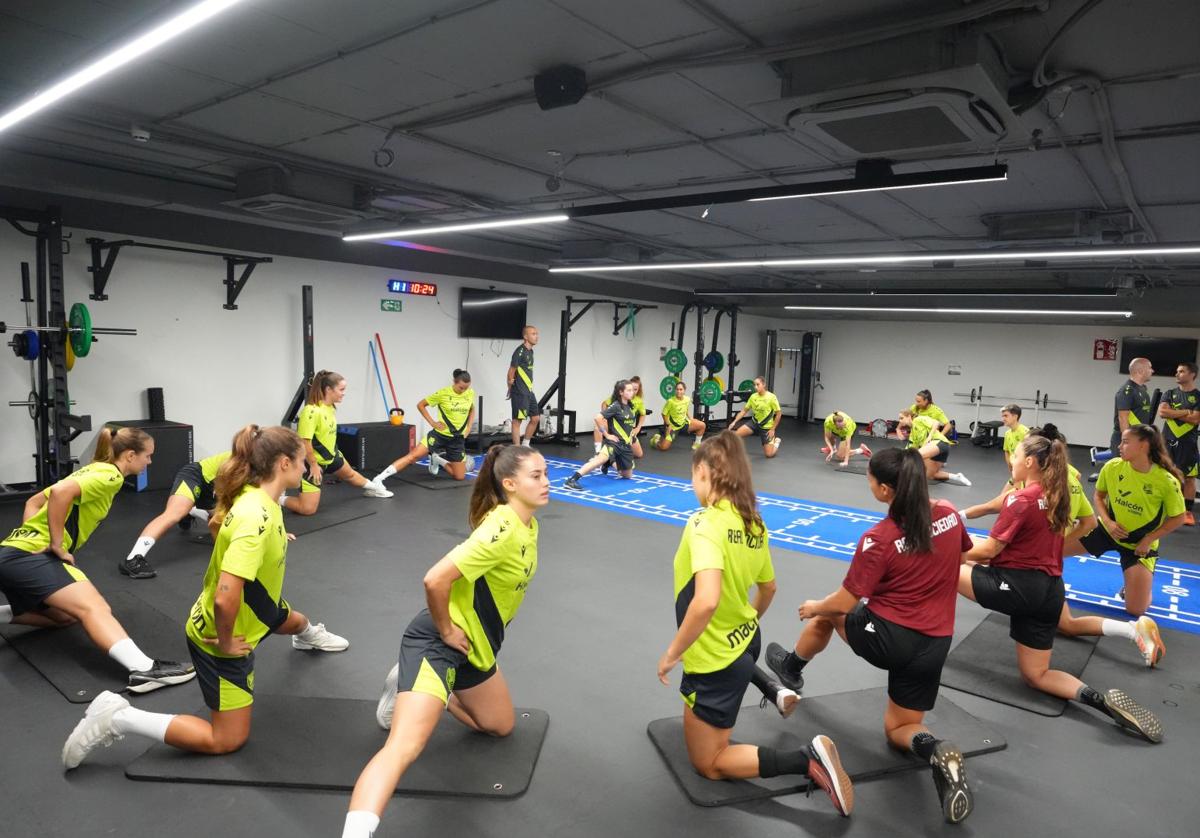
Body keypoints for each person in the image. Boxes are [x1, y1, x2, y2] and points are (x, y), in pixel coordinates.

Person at [62, 425, 350, 771]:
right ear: (285, 463)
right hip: (220, 636)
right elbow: (225, 600)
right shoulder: (254, 517)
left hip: (258, 608)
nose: (307, 469)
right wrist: (227, 642)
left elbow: (219, 529)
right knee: (226, 739)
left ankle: (307, 636)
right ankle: (119, 717)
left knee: (288, 618)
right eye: (304, 461)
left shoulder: (260, 500)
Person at [342, 445, 548, 838]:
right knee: (404, 746)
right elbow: (435, 579)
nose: (545, 482)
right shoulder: (501, 527)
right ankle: (355, 832)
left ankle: (424, 687)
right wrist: (447, 629)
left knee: (500, 726)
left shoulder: (528, 524)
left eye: (544, 473)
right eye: (535, 475)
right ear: (509, 484)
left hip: (476, 649)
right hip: (439, 641)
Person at [765, 447, 973, 823]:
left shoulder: (878, 539)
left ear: (883, 490)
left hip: (888, 639)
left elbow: (846, 600)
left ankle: (791, 668)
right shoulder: (948, 515)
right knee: (901, 728)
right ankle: (936, 749)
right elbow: (959, 559)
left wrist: (815, 606)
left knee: (829, 612)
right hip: (936, 643)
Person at [657, 432, 853, 816]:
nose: (691, 484)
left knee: (709, 763)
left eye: (693, 475)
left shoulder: (704, 524)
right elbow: (769, 588)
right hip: (747, 642)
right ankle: (769, 692)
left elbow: (707, 600)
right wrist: (745, 624)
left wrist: (672, 653)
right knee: (719, 720)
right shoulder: (753, 523)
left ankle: (807, 759)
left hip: (713, 660)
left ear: (704, 472)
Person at [957, 435, 1163, 743]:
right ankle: (1099, 701)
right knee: (1036, 675)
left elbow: (988, 550)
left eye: (1015, 456)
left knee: (943, 567)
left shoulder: (1020, 499)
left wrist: (946, 549)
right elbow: (1083, 524)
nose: (1011, 461)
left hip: (1017, 588)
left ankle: (912, 635)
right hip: (1049, 592)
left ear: (1028, 462)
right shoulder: (1057, 494)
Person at [1, 427, 195, 692]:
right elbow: (60, 494)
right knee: (94, 608)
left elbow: (32, 503)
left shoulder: (92, 470)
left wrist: (37, 536)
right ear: (129, 455)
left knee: (65, 617)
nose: (149, 462)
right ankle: (145, 670)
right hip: (30, 557)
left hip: (11, 552)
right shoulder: (109, 475)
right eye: (147, 456)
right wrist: (55, 545)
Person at [1075, 426, 1186, 622]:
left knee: (1136, 610)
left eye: (1125, 442)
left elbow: (1179, 517)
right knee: (1054, 551)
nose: (1119, 446)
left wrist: (1149, 539)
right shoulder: (1112, 466)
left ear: (1144, 445)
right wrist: (1108, 523)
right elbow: (1099, 496)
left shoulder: (1166, 481)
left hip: (1138, 545)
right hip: (1106, 531)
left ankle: (1140, 585)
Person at [284, 370, 392, 515]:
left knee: (351, 475)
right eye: (341, 389)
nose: (344, 393)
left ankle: (375, 488)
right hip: (313, 464)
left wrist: (334, 453)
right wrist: (314, 465)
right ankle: (278, 498)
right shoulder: (311, 411)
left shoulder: (330, 408)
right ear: (328, 389)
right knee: (307, 509)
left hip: (332, 457)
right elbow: (304, 442)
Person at [120, 450, 231, 579]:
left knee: (225, 520)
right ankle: (133, 559)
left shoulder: (256, 465)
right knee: (173, 514)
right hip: (196, 475)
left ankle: (190, 510)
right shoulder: (245, 458)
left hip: (214, 486)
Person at [372, 369, 477, 484]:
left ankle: (437, 459)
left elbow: (471, 409)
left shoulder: (470, 393)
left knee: (459, 477)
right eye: (461, 387)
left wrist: (469, 426)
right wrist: (432, 423)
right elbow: (421, 405)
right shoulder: (443, 393)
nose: (463, 390)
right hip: (439, 435)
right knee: (413, 456)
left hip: (457, 439)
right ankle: (378, 479)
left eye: (466, 388)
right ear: (454, 382)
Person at [564, 380, 637, 490]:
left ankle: (610, 461)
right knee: (598, 460)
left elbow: (628, 424)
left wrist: (631, 435)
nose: (632, 392)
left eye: (632, 390)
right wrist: (606, 435)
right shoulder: (616, 406)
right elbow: (597, 418)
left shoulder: (630, 407)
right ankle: (572, 480)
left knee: (627, 475)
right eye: (629, 390)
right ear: (621, 392)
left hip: (625, 445)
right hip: (614, 443)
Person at [1159, 361, 1199, 525]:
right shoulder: (1169, 393)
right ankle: (1160, 508)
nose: (1177, 374)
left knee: (1189, 478)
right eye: (1177, 371)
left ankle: (1187, 512)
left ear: (1192, 375)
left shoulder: (1198, 396)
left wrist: (1173, 413)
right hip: (1166, 441)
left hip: (1187, 444)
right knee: (1162, 474)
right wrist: (1187, 411)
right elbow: (1162, 412)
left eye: (1181, 371)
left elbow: (1196, 418)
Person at [897, 411, 970, 486]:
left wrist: (929, 436)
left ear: (909, 416)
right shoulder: (913, 432)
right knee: (930, 475)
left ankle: (903, 480)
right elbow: (911, 447)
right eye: (899, 419)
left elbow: (936, 423)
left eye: (902, 418)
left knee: (915, 456)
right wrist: (902, 456)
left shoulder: (918, 419)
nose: (900, 420)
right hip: (938, 450)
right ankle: (956, 477)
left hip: (939, 442)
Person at [728, 377, 783, 458]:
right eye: (754, 385)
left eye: (758, 384)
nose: (755, 387)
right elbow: (744, 410)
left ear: (763, 385)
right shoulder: (753, 396)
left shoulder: (771, 397)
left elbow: (779, 414)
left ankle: (777, 441)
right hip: (754, 423)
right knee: (735, 435)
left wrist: (773, 429)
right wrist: (734, 421)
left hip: (766, 427)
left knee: (769, 454)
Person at [595, 375, 647, 459]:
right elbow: (604, 404)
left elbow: (643, 414)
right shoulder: (618, 401)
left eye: (635, 389)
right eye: (630, 389)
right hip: (616, 428)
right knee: (597, 428)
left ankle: (617, 454)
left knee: (639, 454)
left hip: (628, 430)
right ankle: (598, 454)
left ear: (638, 390)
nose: (632, 392)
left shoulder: (638, 401)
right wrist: (605, 420)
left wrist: (638, 428)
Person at [1110, 357, 1154, 454]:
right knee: (1123, 469)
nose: (1152, 371)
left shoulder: (1142, 390)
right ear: (1140, 371)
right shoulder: (1127, 391)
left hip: (1139, 436)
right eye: (1150, 368)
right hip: (1128, 439)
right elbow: (1123, 418)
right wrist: (1127, 442)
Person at [507, 325, 540, 446]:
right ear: (525, 336)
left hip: (529, 391)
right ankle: (517, 449)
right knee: (517, 421)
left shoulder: (530, 351)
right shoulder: (519, 351)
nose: (536, 336)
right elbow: (511, 371)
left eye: (536, 334)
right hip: (520, 392)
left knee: (535, 418)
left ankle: (525, 445)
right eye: (533, 334)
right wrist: (510, 388)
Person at [650, 380, 706, 451]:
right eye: (677, 389)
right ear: (675, 390)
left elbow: (685, 410)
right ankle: (655, 440)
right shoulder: (670, 401)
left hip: (684, 423)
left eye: (681, 389)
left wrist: (691, 418)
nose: (679, 391)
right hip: (673, 427)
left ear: (684, 390)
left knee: (702, 425)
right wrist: (668, 425)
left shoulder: (687, 399)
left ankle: (697, 443)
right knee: (663, 447)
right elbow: (664, 414)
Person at [1000, 404, 1028, 470]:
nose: (1003, 419)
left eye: (1006, 416)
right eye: (1002, 416)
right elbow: (1006, 451)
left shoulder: (1025, 432)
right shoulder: (1007, 433)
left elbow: (1030, 453)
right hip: (1014, 469)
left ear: (1015, 417)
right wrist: (1010, 465)